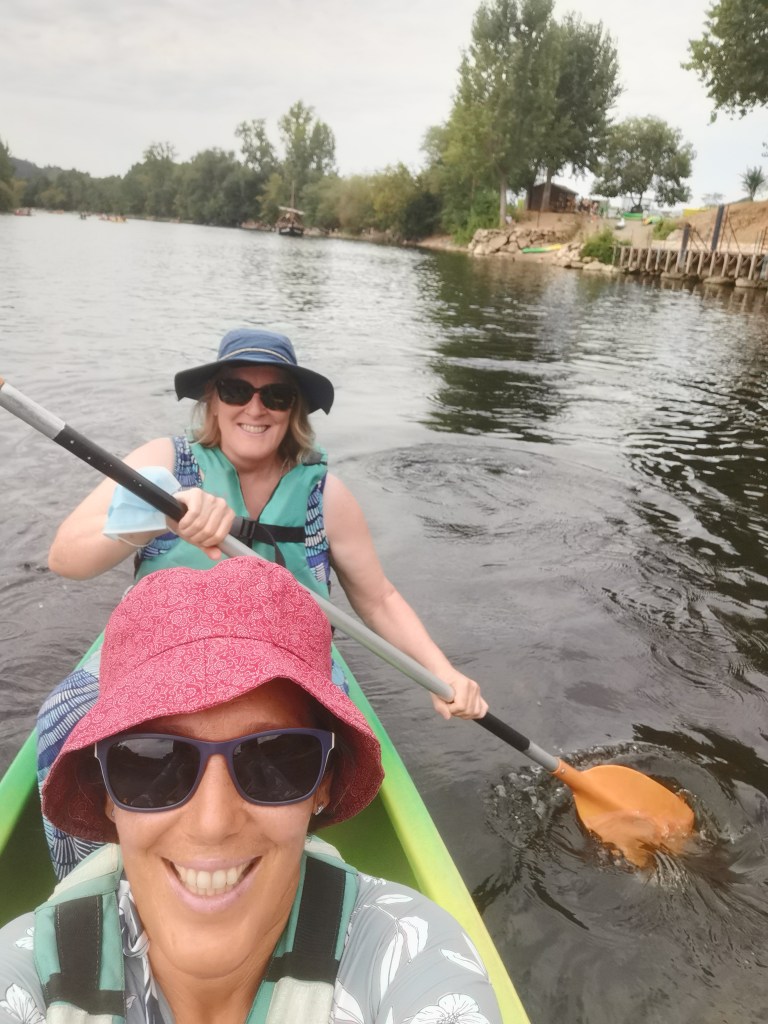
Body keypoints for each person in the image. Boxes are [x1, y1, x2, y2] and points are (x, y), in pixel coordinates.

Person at [38, 327, 488, 878]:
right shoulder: (165, 464)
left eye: (275, 396)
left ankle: (271, 865)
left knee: (317, 748)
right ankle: (95, 878)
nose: (255, 408)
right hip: (162, 648)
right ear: (213, 401)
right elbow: (66, 557)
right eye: (236, 390)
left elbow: (379, 598)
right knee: (64, 717)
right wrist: (155, 513)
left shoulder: (325, 495)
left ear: (293, 410)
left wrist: (442, 674)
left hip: (287, 660)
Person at [0, 558, 503, 1024]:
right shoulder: (19, 977)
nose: (213, 824)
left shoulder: (409, 951)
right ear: (106, 792)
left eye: (276, 757)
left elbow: (380, 595)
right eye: (149, 762)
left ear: (323, 784)